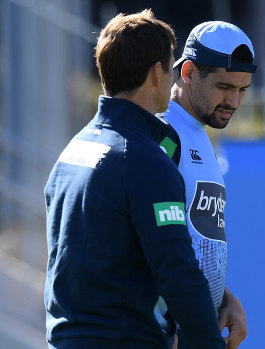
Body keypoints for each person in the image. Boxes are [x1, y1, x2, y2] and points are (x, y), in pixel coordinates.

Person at [44, 10, 226, 349]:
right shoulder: (145, 160)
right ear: (156, 73)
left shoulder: (74, 148)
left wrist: (223, 296)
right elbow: (177, 273)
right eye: (171, 67)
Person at [161, 21, 257, 349]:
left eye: (242, 89)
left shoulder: (197, 131)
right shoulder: (163, 134)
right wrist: (160, 328)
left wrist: (223, 298)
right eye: (224, 86)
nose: (234, 101)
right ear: (187, 73)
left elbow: (194, 240)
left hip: (197, 325)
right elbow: (143, 241)